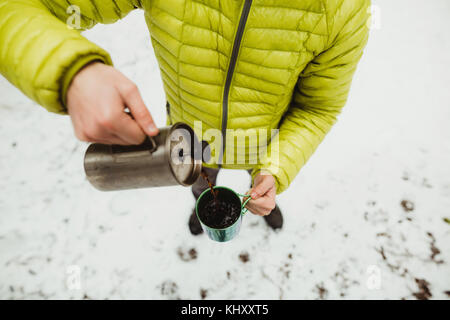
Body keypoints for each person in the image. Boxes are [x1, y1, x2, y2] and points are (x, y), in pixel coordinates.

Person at [0, 0, 370, 235]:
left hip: (262, 145)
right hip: (190, 140)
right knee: (199, 180)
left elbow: (317, 107)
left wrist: (277, 168)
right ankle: (199, 206)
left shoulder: (342, 9)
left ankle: (267, 200)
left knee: (258, 185)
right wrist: (70, 71)